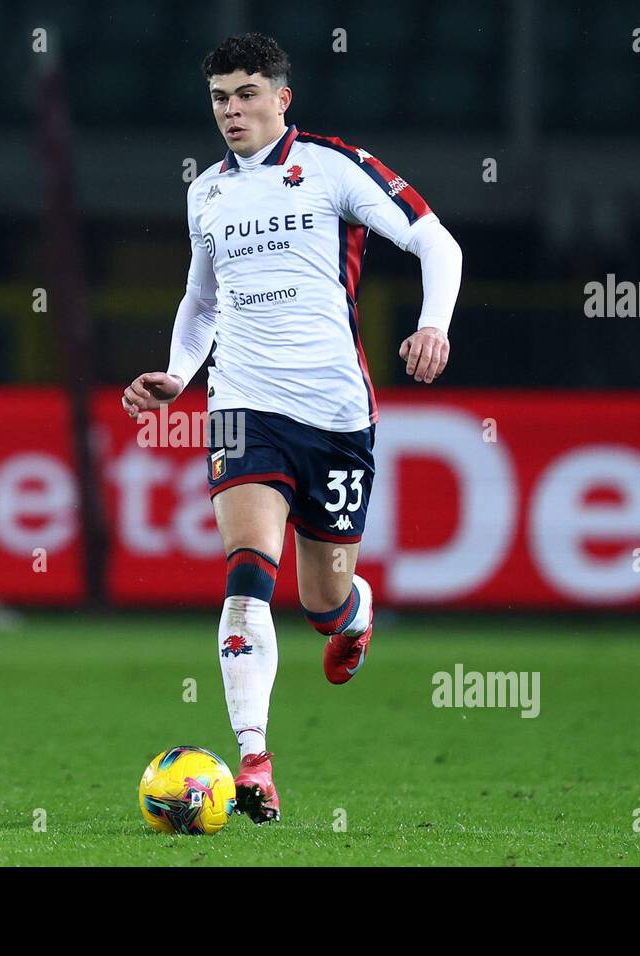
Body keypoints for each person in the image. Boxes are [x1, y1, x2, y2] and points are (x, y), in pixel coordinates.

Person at [121, 33, 463, 824]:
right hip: (243, 405)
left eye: (245, 94)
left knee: (321, 598)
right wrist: (180, 375)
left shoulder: (335, 167)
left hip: (337, 415)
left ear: (282, 98)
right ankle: (254, 759)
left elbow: (434, 241)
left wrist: (433, 325)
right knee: (247, 575)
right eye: (218, 98)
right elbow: (201, 300)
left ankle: (353, 612)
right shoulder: (204, 193)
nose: (231, 111)